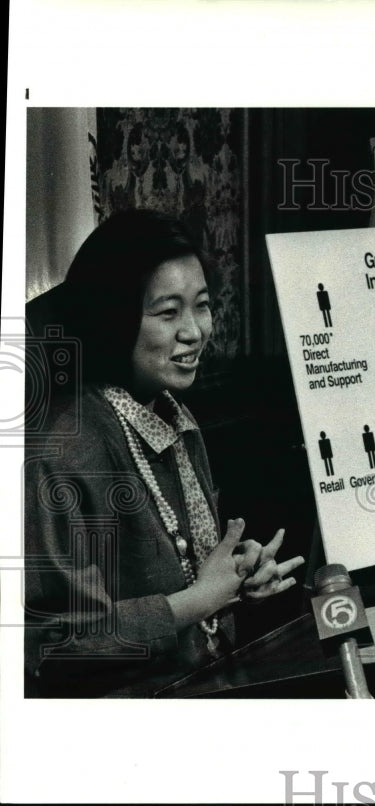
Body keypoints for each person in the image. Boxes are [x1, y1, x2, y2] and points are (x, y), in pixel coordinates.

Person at [24, 209, 304, 697]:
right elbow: (53, 641)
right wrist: (199, 600)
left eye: (202, 305)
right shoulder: (62, 451)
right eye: (168, 312)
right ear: (113, 317)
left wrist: (238, 572)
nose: (195, 331)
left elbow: (183, 567)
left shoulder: (171, 413)